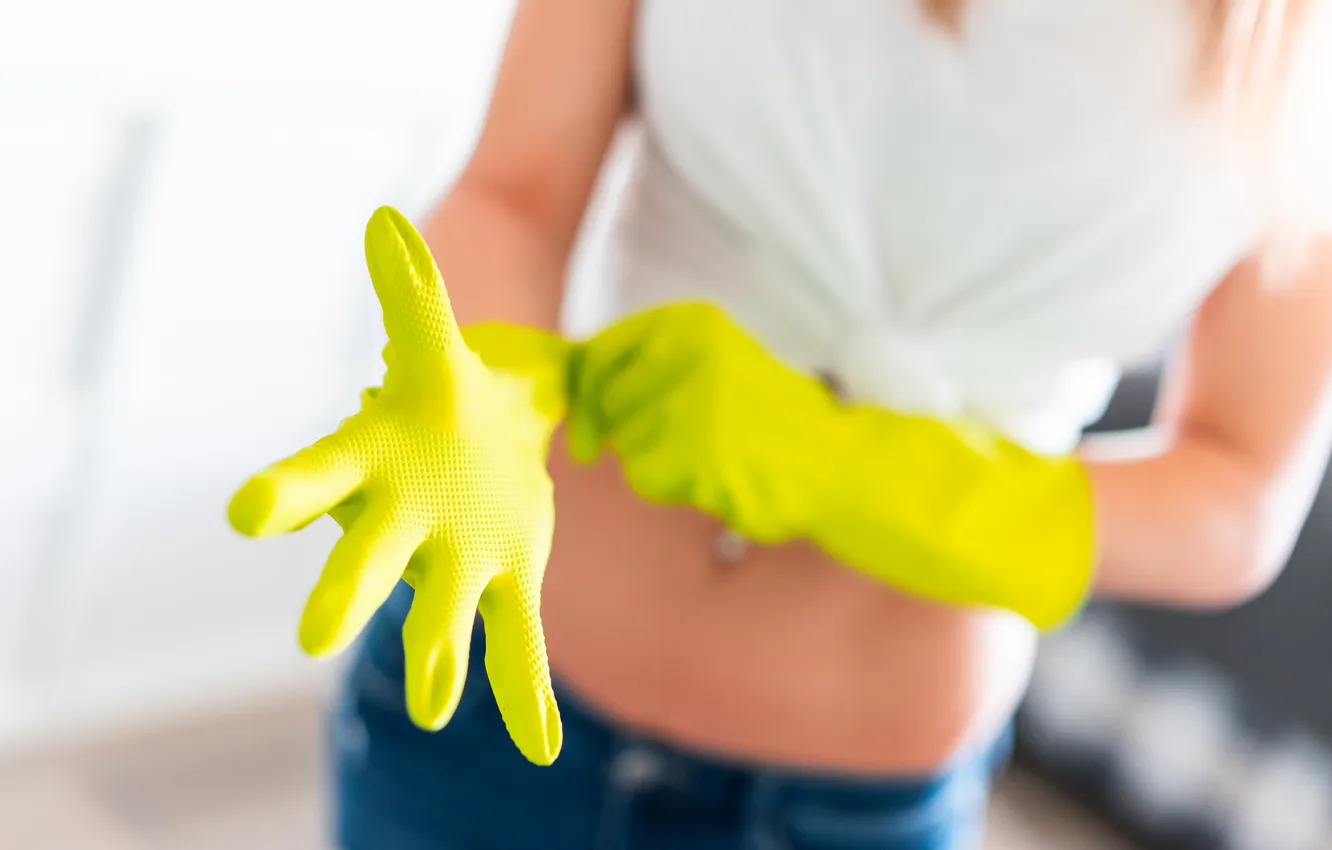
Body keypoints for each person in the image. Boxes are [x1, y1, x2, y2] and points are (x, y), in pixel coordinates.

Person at [302, 2, 1332, 848]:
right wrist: (471, 392)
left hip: (848, 809)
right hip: (477, 719)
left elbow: (1236, 496)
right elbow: (514, 191)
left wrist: (844, 468)